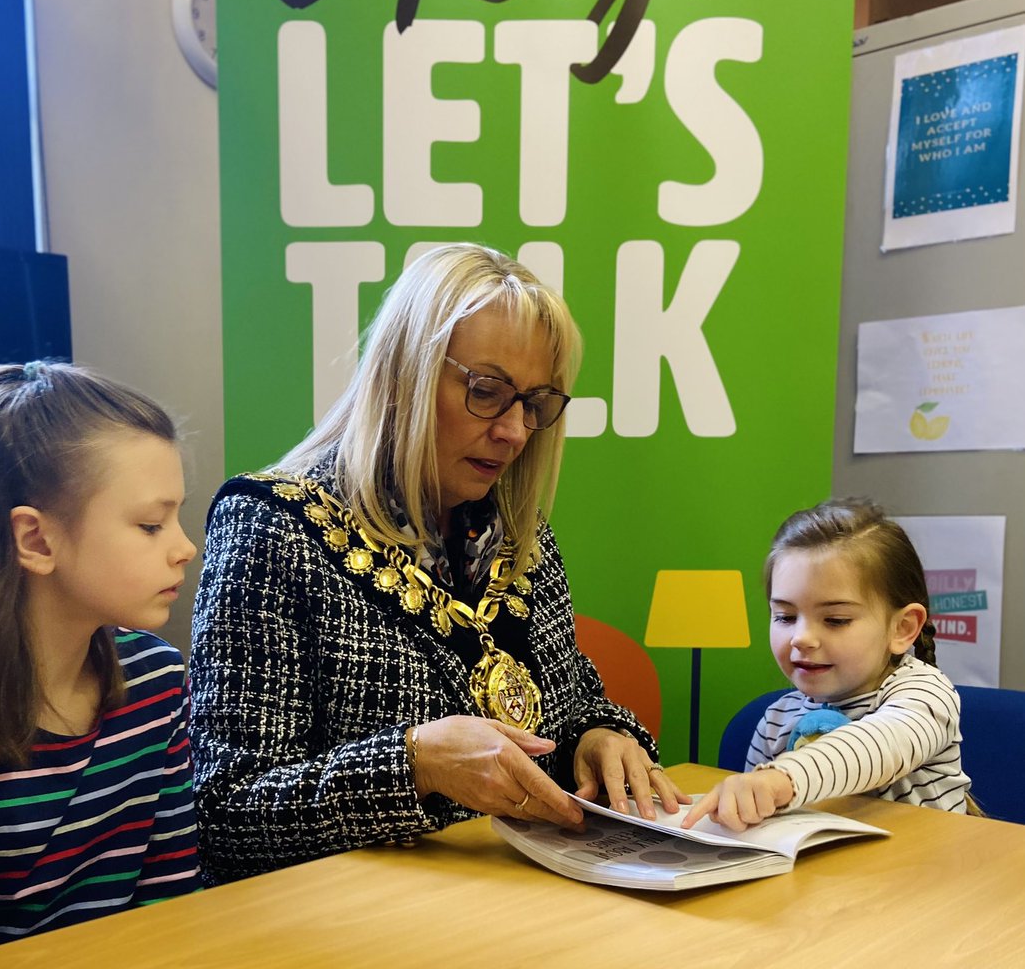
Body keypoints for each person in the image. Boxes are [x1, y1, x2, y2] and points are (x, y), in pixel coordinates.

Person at [190, 243, 682, 881]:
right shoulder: (272, 526)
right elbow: (226, 817)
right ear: (404, 376)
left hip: (522, 899)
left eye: (534, 404)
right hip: (349, 919)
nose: (514, 432)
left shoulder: (519, 534)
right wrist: (414, 763)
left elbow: (576, 700)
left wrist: (599, 737)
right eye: (486, 391)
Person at [0, 362, 202, 964]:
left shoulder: (158, 680)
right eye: (150, 525)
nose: (185, 548)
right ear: (37, 540)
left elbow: (173, 902)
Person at [683, 499, 972, 833]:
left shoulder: (926, 694)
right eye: (785, 616)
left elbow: (880, 744)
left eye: (835, 620)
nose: (801, 638)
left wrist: (782, 779)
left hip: (929, 865)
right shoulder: (776, 720)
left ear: (902, 628)